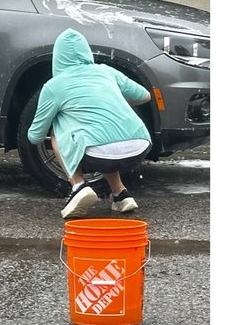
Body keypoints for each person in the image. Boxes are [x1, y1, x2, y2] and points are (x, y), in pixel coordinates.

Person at [27, 28, 153, 218]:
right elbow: (145, 96)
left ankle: (78, 186)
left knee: (62, 127)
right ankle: (121, 195)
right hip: (139, 146)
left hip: (97, 151)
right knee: (99, 130)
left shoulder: (54, 86)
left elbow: (35, 136)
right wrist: (110, 100)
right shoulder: (106, 71)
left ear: (58, 57)